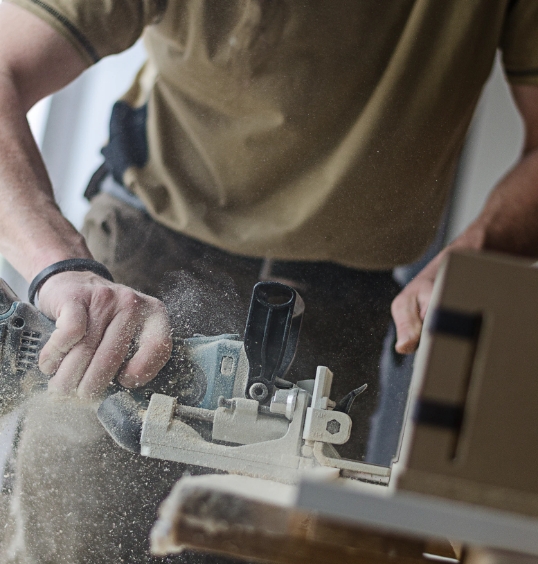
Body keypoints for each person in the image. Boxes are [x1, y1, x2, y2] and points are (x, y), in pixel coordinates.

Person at [0, 1, 537, 562]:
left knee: (283, 547)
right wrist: (64, 268)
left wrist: (474, 253)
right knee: (68, 542)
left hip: (344, 302)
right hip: (139, 280)